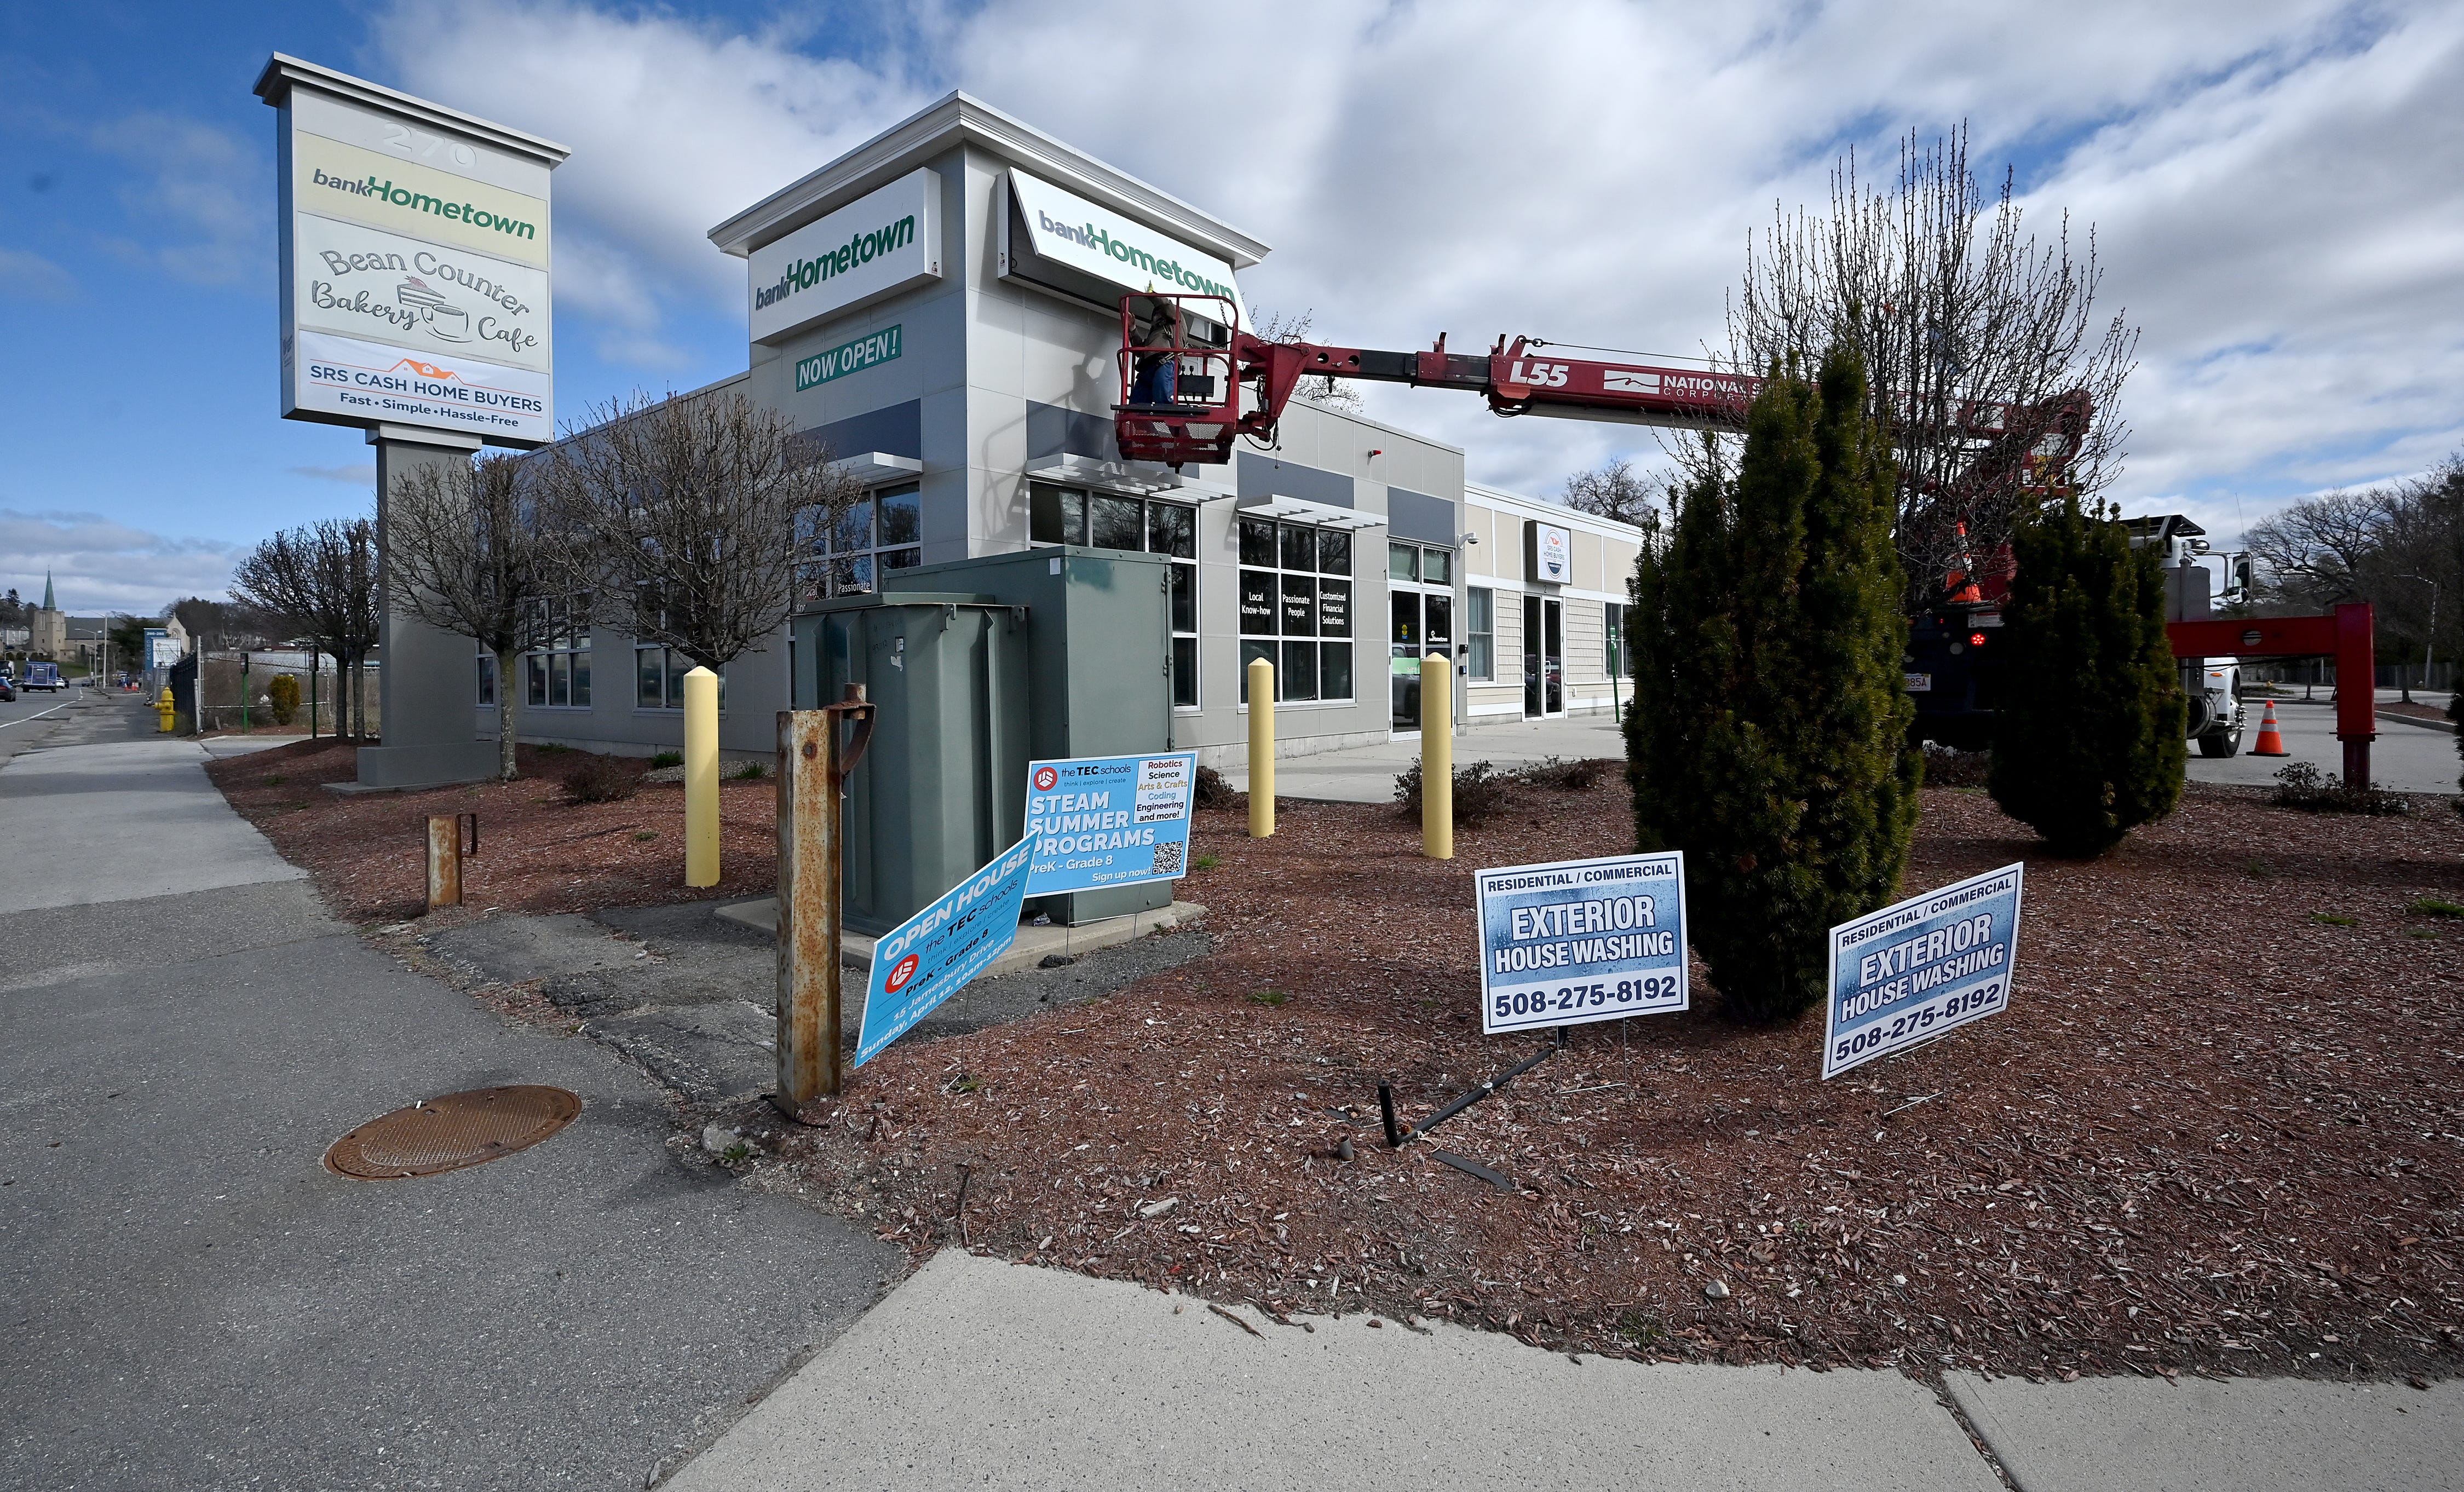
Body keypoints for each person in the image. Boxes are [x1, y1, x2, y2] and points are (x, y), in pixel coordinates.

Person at [1127, 297, 1181, 407]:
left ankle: (1176, 424)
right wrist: (1132, 328)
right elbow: (1140, 351)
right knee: (1136, 407)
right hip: (1148, 367)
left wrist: (1152, 296)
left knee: (1163, 400)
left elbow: (1166, 305)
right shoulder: (1156, 334)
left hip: (1165, 362)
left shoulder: (1176, 320)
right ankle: (1144, 424)